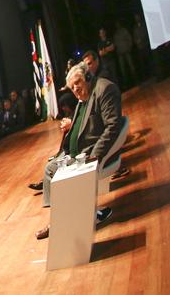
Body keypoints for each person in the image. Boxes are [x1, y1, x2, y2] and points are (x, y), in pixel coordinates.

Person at [29, 64, 121, 239]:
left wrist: (95, 154)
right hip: (76, 151)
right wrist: (72, 125)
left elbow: (113, 125)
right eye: (72, 87)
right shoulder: (84, 96)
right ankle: (60, 217)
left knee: (54, 172)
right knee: (49, 168)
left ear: (87, 77)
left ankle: (59, 222)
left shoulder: (104, 89)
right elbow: (88, 120)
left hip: (90, 153)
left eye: (78, 83)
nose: (76, 89)